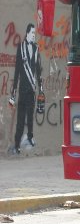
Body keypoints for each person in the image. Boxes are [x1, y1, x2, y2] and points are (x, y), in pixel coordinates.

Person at [10, 23, 43, 154]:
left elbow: (38, 70)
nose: (34, 36)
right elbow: (17, 70)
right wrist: (14, 91)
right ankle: (17, 144)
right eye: (33, 33)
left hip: (32, 90)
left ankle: (30, 136)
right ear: (27, 33)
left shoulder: (36, 48)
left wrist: (41, 88)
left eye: (35, 34)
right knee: (20, 119)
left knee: (30, 117)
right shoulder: (21, 47)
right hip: (23, 90)